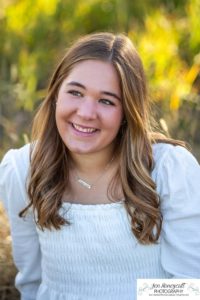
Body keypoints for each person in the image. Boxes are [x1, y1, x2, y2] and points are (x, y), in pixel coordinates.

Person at [0, 32, 200, 300]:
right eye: (75, 92)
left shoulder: (168, 169)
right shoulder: (23, 169)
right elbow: (32, 282)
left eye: (106, 101)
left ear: (128, 111)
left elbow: (188, 285)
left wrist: (131, 293)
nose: (85, 112)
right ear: (56, 94)